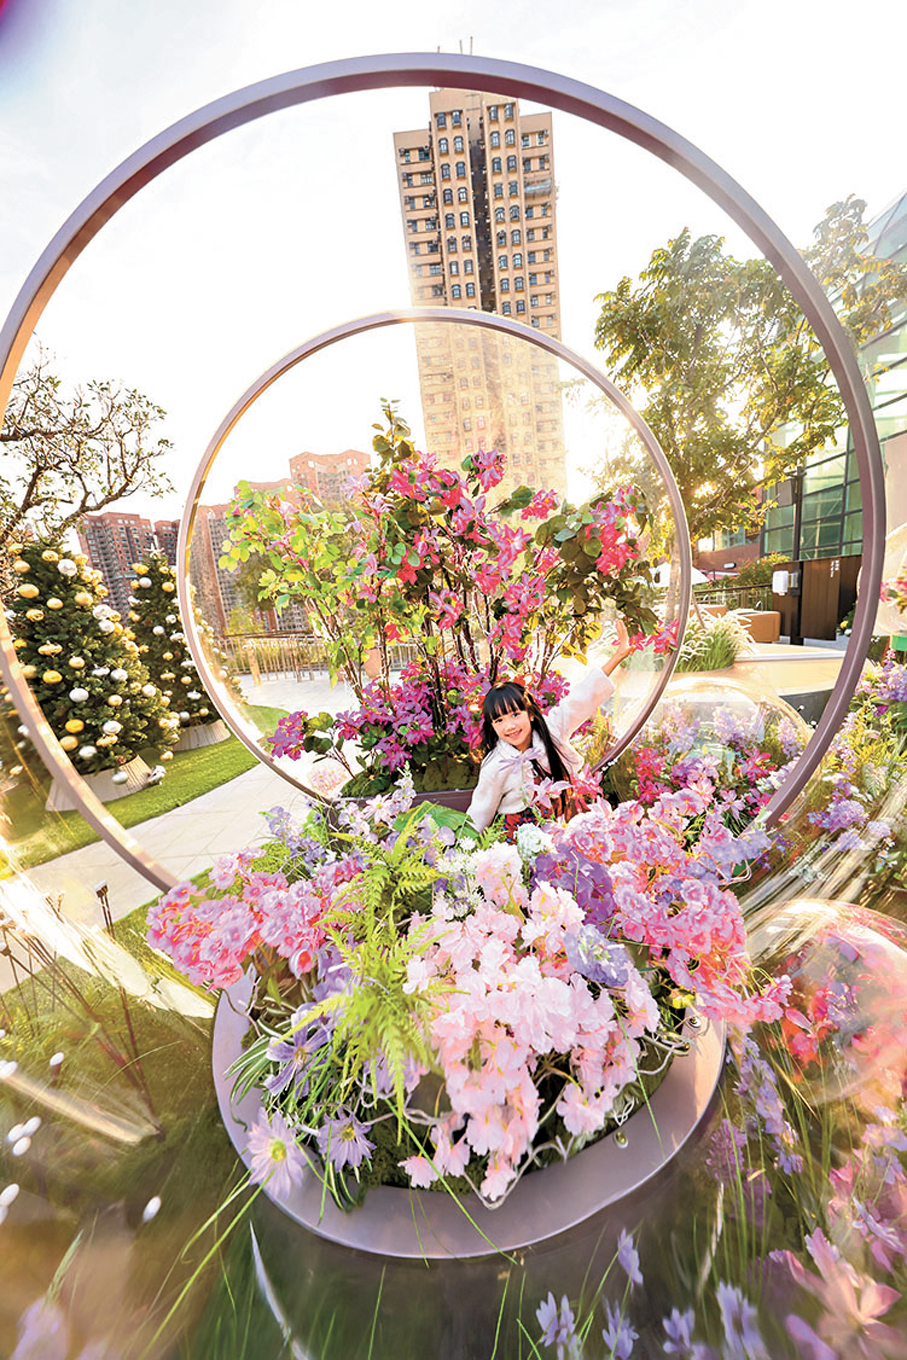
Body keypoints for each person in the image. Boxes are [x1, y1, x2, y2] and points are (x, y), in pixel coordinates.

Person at [467, 622, 632, 837]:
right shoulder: (496, 764)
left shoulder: (551, 730)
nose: (509, 726)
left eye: (515, 714)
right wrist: (462, 853)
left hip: (556, 829)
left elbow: (581, 698)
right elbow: (480, 811)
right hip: (513, 840)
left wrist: (618, 655)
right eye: (499, 720)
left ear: (531, 713)